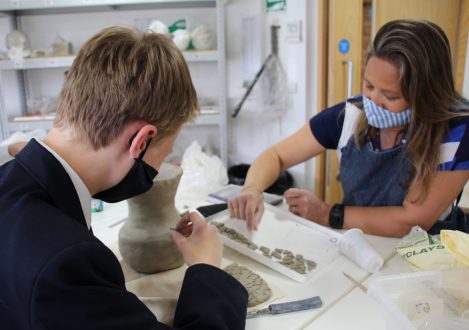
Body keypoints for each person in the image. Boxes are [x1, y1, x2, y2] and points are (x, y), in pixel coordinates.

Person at [0, 27, 247, 329]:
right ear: (141, 141)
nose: (162, 165)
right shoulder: (67, 264)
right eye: (165, 153)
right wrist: (208, 269)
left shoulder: (9, 178)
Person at [228, 19, 469, 238]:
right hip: (360, 243)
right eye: (369, 86)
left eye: (390, 96)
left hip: (428, 253)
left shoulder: (456, 130)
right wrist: (252, 189)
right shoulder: (351, 115)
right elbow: (277, 155)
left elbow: (413, 221)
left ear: (425, 95)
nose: (374, 101)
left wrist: (327, 214)